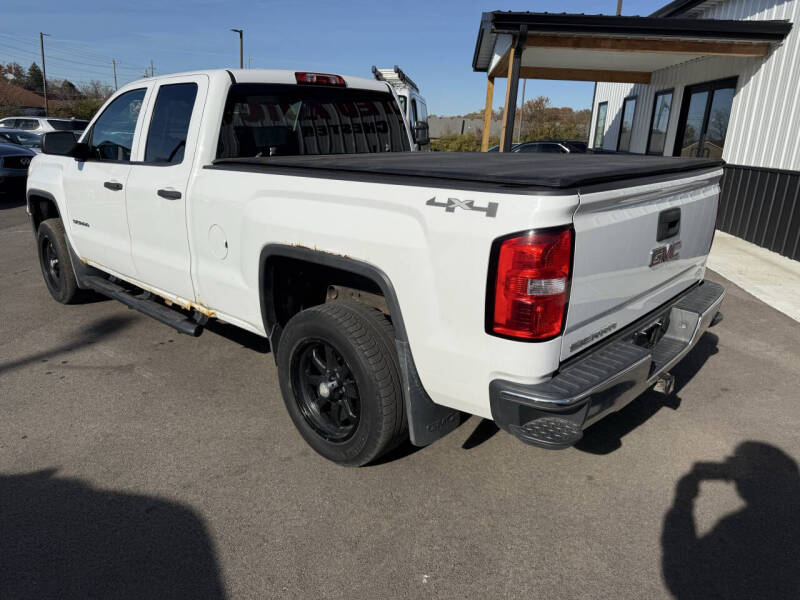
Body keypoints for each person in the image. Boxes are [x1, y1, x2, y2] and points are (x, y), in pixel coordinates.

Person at [662, 442, 800, 599]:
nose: (728, 461)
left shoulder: (741, 529)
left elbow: (684, 578)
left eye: (737, 460)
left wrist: (682, 504)